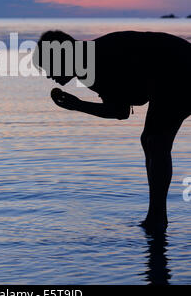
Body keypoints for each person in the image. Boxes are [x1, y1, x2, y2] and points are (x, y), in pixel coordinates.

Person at [33, 30, 191, 232]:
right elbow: (120, 109)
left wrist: (78, 105)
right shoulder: (86, 62)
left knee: (155, 142)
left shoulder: (93, 63)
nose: (48, 75)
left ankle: (157, 217)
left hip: (177, 70)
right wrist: (78, 105)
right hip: (169, 73)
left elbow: (119, 111)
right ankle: (156, 215)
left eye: (49, 67)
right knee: (150, 140)